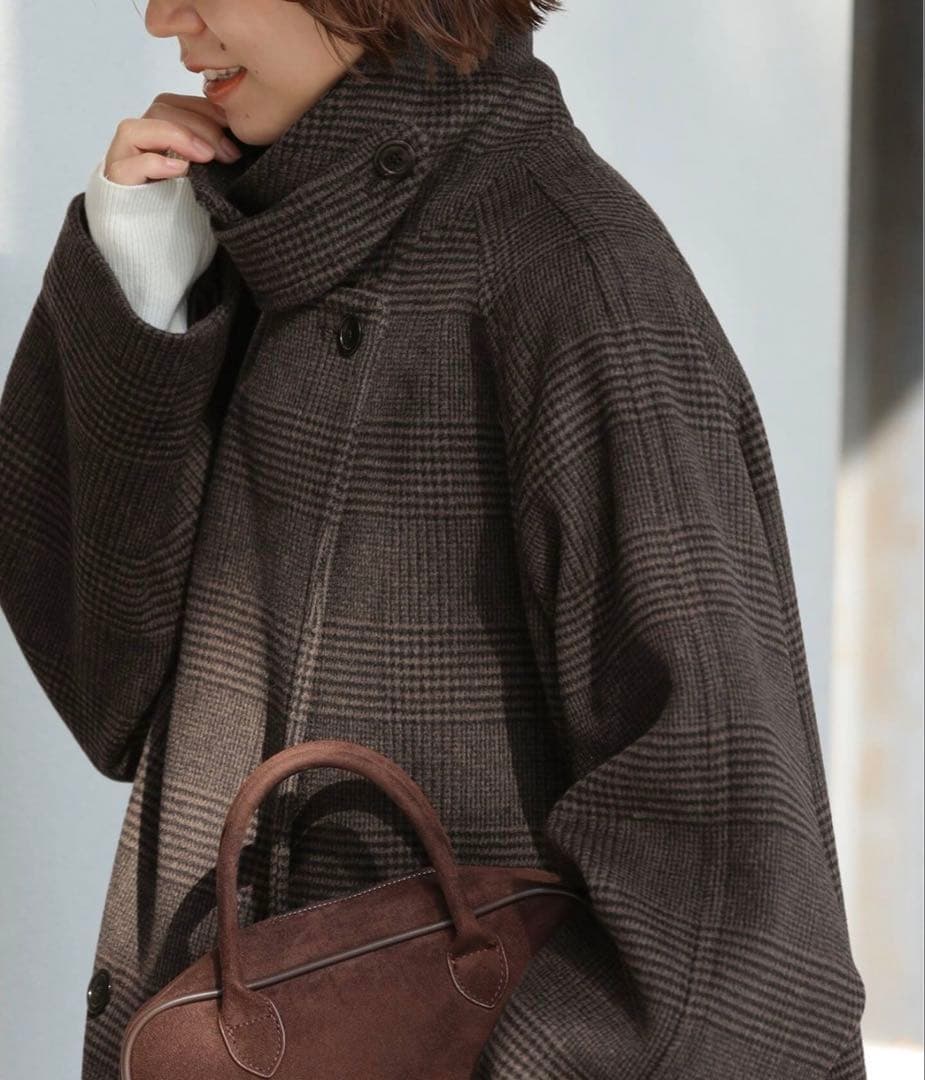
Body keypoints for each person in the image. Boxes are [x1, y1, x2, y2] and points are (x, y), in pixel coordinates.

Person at [0, 2, 867, 1077]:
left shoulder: (579, 281)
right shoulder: (274, 235)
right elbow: (111, 692)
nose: (161, 16)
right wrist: (142, 279)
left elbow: (735, 910)